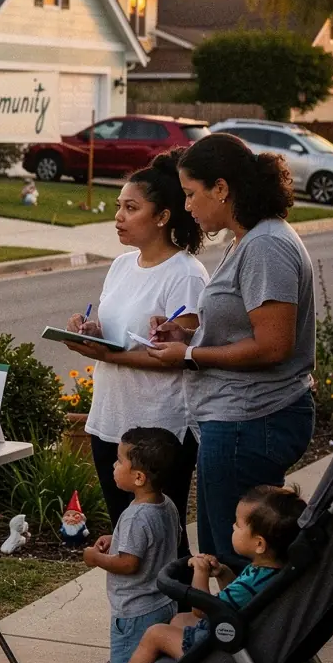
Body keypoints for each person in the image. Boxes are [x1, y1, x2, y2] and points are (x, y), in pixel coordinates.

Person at [149, 133, 316, 558]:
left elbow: (273, 345)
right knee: (218, 555)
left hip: (251, 420)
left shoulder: (267, 246)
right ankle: (223, 625)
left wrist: (189, 355)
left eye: (191, 193)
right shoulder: (247, 239)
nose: (186, 206)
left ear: (221, 188)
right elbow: (243, 327)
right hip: (237, 419)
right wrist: (186, 335)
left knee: (232, 557)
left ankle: (238, 628)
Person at [65, 151, 208, 554]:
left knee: (162, 539)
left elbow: (180, 355)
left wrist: (108, 355)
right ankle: (134, 616)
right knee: (125, 534)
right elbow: (118, 334)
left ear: (162, 216)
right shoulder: (122, 265)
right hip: (111, 418)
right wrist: (92, 330)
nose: (119, 217)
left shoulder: (185, 274)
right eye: (118, 207)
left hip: (158, 429)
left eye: (131, 208)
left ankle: (176, 615)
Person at [74, 485, 306, 663]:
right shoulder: (269, 572)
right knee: (179, 619)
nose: (232, 528)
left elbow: (201, 609)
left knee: (156, 634)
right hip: (241, 636)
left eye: (238, 525)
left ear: (259, 543)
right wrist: (224, 573)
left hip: (226, 647)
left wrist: (200, 572)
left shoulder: (258, 578)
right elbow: (240, 603)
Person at [77, 427, 181, 663]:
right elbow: (156, 545)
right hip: (163, 604)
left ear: (137, 477)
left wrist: (96, 558)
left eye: (119, 459)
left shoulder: (136, 515)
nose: (113, 464)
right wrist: (115, 538)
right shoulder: (166, 506)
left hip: (134, 611)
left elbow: (128, 564)